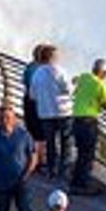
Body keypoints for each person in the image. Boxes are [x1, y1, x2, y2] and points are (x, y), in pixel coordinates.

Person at [29, 45, 75, 184]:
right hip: (64, 112)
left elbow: (32, 95)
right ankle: (64, 171)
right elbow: (68, 90)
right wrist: (74, 85)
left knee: (50, 143)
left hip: (45, 113)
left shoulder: (37, 73)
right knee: (66, 141)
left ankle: (51, 170)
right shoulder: (60, 71)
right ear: (52, 57)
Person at [68, 57, 106, 194]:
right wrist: (98, 102)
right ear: (102, 73)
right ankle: (82, 185)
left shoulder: (85, 77)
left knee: (81, 153)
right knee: (87, 155)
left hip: (76, 120)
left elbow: (74, 80)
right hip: (89, 123)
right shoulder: (100, 85)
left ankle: (75, 181)